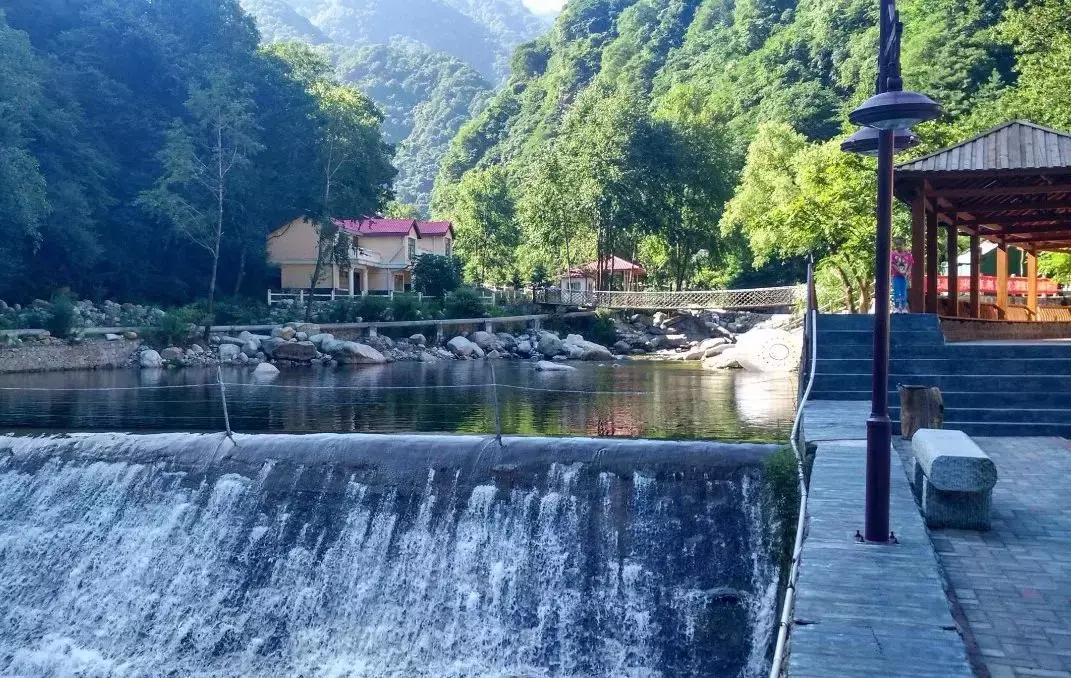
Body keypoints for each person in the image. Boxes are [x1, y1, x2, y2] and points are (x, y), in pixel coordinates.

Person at [890, 240, 913, 313]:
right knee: (896, 291)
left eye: (901, 245)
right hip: (896, 276)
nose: (900, 246)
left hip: (904, 276)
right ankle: (896, 307)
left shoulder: (908, 255)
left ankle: (903, 308)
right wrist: (900, 271)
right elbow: (892, 264)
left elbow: (910, 264)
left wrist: (908, 272)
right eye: (898, 245)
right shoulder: (893, 254)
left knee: (904, 292)